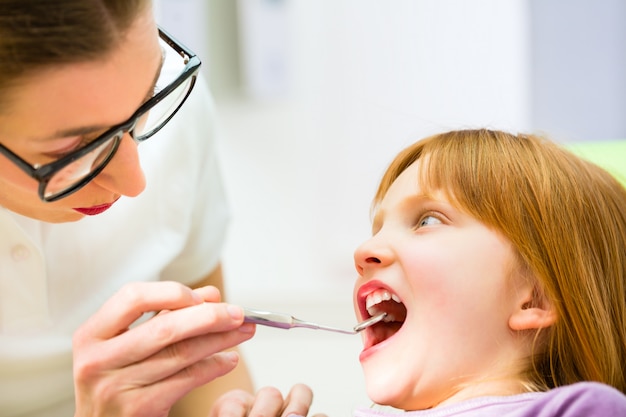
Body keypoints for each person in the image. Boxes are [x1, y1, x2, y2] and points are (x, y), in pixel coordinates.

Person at [0, 1, 313, 416]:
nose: (136, 182)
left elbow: (199, 366)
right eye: (72, 150)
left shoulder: (177, 110)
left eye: (145, 103)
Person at [345, 129, 626, 416]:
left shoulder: (583, 410)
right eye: (377, 229)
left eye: (427, 220)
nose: (365, 249)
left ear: (534, 299)